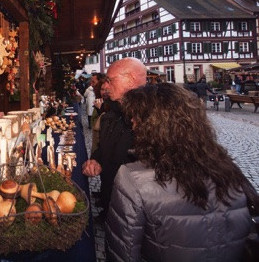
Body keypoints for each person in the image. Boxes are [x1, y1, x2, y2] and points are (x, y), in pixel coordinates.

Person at [106, 82, 255, 261]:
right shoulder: (229, 170)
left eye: (136, 117)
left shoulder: (134, 179)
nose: (132, 122)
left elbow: (124, 251)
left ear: (151, 126)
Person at [82, 57, 147, 221]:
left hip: (135, 211)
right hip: (111, 199)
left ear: (131, 80)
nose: (104, 86)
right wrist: (95, 160)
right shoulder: (110, 115)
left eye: (110, 81)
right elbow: (102, 148)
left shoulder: (150, 118)